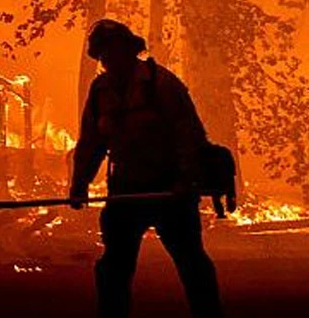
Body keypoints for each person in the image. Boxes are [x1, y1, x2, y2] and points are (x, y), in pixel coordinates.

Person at [69, 19, 224, 318]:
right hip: (126, 189)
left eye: (113, 52)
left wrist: (184, 180)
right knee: (114, 266)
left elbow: (188, 135)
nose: (109, 60)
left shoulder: (162, 84)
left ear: (130, 50)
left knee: (191, 261)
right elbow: (91, 142)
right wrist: (80, 183)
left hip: (169, 192)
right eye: (103, 55)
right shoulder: (101, 90)